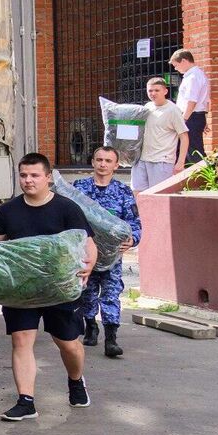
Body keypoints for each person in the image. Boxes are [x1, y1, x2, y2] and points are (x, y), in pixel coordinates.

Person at [0, 153, 98, 422]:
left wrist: (88, 266)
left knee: (68, 344)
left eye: (35, 175)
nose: (28, 180)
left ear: (48, 177)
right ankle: (26, 401)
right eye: (24, 175)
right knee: (21, 339)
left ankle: (75, 381)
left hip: (59, 289)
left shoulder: (66, 208)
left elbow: (88, 244)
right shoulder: (8, 211)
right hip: (21, 290)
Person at [72, 147, 140, 357]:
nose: (103, 164)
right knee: (87, 293)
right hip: (85, 253)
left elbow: (134, 222)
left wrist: (132, 239)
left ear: (116, 165)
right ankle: (91, 326)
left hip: (112, 256)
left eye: (108, 161)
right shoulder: (79, 188)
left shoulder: (122, 192)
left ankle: (111, 339)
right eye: (99, 160)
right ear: (92, 162)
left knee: (111, 294)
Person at [130, 77, 188, 194]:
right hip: (141, 159)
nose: (153, 93)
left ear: (165, 91)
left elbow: (184, 136)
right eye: (150, 91)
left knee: (158, 195)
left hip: (161, 160)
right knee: (137, 192)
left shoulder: (173, 110)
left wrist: (180, 162)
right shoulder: (147, 107)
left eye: (157, 90)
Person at [170, 49, 210, 161]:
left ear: (184, 61)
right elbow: (206, 101)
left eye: (176, 65)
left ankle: (203, 175)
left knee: (193, 151)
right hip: (196, 116)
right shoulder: (196, 75)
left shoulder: (193, 77)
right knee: (188, 150)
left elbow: (192, 101)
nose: (175, 68)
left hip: (190, 117)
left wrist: (183, 119)